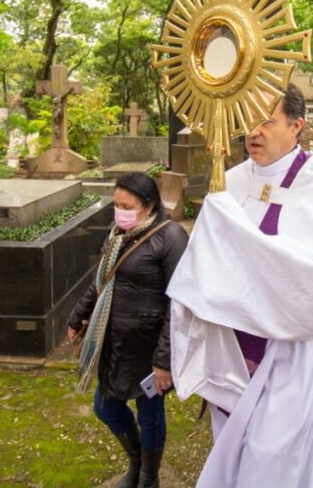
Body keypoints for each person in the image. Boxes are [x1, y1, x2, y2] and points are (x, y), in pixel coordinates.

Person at [166, 85, 313, 487]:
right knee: (232, 446)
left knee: (272, 460)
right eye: (247, 121)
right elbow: (206, 261)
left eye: (266, 121)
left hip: (289, 349)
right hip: (233, 347)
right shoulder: (232, 182)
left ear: (296, 126)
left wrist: (246, 256)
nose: (253, 132)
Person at [67, 172, 189, 488]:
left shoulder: (171, 237)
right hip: (113, 341)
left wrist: (164, 361)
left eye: (127, 206)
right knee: (105, 407)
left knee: (149, 415)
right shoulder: (118, 232)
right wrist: (77, 316)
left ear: (148, 206)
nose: (119, 212)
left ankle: (149, 477)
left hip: (148, 350)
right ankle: (136, 463)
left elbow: (180, 304)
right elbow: (102, 280)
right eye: (116, 205)